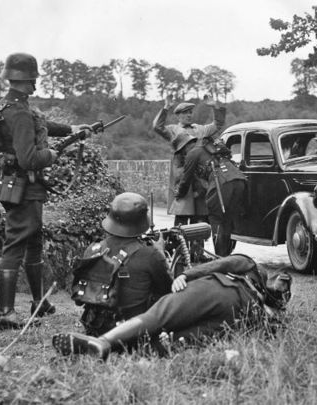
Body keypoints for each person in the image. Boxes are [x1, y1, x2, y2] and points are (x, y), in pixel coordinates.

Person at [0, 52, 94, 330]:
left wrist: (74, 130)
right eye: (33, 80)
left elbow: (42, 126)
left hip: (17, 186)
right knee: (15, 245)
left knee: (34, 241)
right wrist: (52, 153)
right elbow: (29, 159)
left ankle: (39, 303)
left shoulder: (8, 108)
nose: (36, 85)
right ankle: (5, 314)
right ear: (27, 80)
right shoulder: (21, 113)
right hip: (25, 188)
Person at [52, 254, 292, 360]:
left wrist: (187, 274)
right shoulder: (263, 309)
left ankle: (103, 343)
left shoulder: (249, 267)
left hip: (218, 292)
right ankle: (112, 347)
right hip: (231, 310)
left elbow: (221, 264)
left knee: (160, 320)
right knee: (172, 338)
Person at [71, 192, 173, 337]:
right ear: (141, 221)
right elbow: (167, 290)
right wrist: (161, 254)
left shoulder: (94, 249)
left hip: (96, 329)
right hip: (134, 332)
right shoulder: (151, 255)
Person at [152, 95, 226, 227]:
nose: (189, 115)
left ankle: (197, 246)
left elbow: (218, 124)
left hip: (200, 178)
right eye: (186, 113)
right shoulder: (173, 130)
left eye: (190, 112)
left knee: (200, 219)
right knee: (182, 216)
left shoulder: (199, 129)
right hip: (183, 176)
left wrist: (215, 107)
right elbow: (157, 126)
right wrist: (166, 108)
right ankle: (180, 246)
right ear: (178, 115)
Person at [174, 136, 247, 256]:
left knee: (217, 221)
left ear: (185, 147)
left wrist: (179, 193)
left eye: (182, 151)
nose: (183, 155)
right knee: (227, 220)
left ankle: (220, 259)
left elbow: (186, 179)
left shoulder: (193, 153)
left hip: (222, 183)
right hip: (240, 180)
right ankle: (226, 257)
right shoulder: (211, 149)